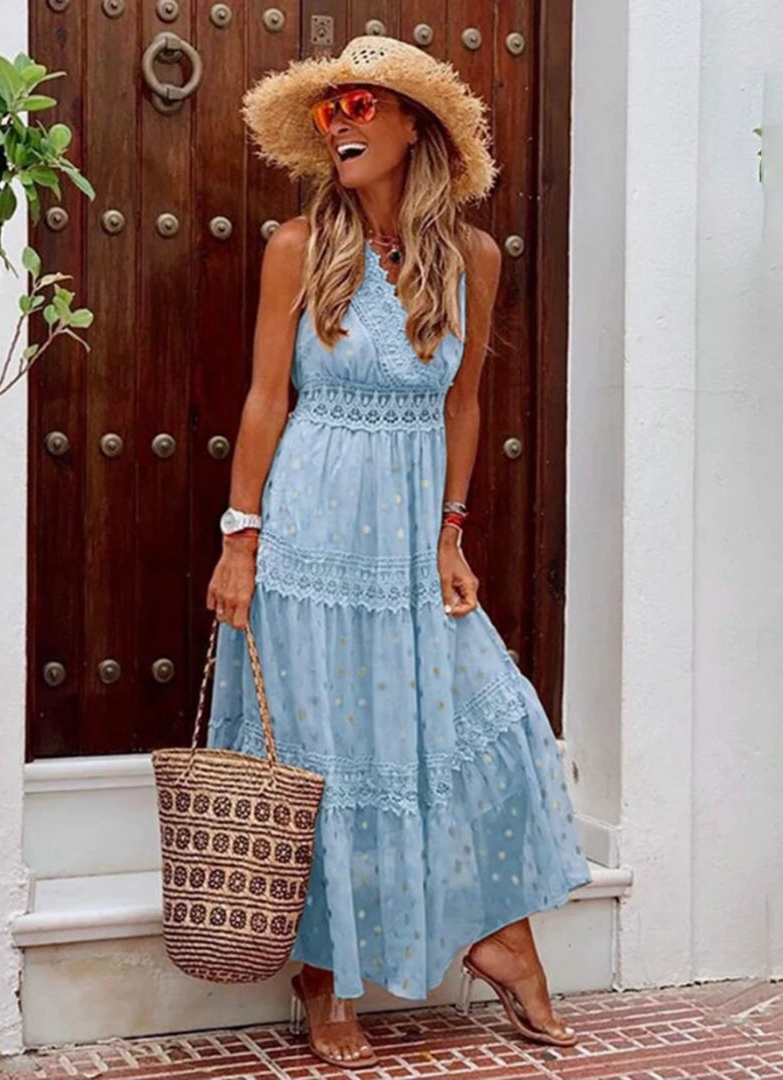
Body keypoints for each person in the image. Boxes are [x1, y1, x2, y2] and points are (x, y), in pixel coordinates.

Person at [204, 35, 592, 1070]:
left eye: (361, 103)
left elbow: (464, 404)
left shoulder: (473, 258)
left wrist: (451, 532)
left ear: (413, 124)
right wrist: (241, 537)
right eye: (331, 106)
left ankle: (497, 935)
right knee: (324, 757)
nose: (342, 120)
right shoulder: (298, 246)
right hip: (312, 530)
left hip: (413, 533)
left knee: (489, 717)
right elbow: (265, 398)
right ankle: (324, 982)